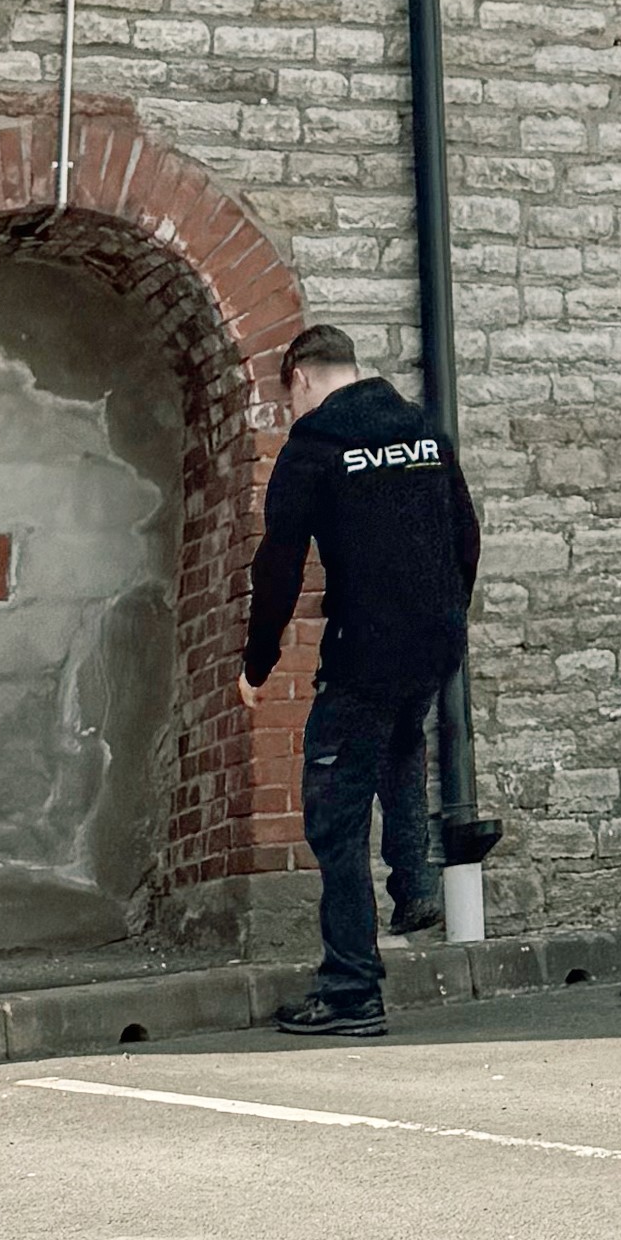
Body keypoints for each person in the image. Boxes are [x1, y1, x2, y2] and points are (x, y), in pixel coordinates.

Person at [237, 325, 480, 1037]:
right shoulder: (421, 430)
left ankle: (350, 989)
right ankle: (414, 886)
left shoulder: (315, 444)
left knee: (334, 813)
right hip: (432, 643)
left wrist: (257, 663)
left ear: (300, 379)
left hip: (363, 651)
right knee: (401, 742)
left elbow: (277, 564)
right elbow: (464, 533)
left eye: (288, 397)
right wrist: (443, 618)